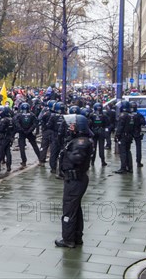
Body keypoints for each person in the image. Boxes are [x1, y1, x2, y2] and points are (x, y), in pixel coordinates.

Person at [55, 114, 93, 248]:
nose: (69, 128)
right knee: (75, 208)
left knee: (69, 209)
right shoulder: (78, 140)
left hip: (75, 179)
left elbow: (77, 158)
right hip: (75, 179)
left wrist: (67, 151)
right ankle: (77, 236)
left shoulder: (80, 142)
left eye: (72, 125)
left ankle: (68, 239)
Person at [15, 102, 42, 167]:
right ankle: (40, 158)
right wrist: (30, 130)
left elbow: (16, 123)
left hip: (22, 133)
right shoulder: (32, 115)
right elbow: (35, 123)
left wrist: (22, 129)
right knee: (34, 145)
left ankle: (24, 161)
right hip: (29, 132)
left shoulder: (19, 115)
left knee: (22, 147)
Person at [114, 101, 135, 174]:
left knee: (122, 152)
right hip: (129, 135)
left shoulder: (123, 115)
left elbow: (120, 127)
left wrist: (117, 135)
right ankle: (130, 167)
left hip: (123, 136)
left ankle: (123, 168)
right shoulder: (131, 115)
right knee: (128, 151)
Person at [0, 107, 15, 172]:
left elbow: (0, 129)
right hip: (9, 137)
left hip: (3, 137)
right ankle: (8, 166)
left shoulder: (4, 120)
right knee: (8, 152)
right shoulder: (11, 120)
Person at [88, 102, 109, 167]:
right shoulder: (104, 115)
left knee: (93, 147)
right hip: (101, 131)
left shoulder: (91, 115)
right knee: (101, 147)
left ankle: (92, 161)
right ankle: (103, 161)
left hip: (93, 132)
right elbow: (107, 124)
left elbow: (89, 124)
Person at [130, 101, 146, 168]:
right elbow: (143, 123)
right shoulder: (139, 115)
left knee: (127, 148)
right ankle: (138, 162)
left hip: (129, 133)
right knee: (138, 148)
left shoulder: (127, 115)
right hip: (137, 132)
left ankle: (127, 163)